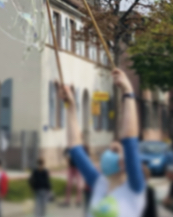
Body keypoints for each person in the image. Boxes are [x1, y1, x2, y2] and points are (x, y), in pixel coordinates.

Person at [61, 68, 146, 216]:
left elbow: (130, 139)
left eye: (114, 150)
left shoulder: (134, 188)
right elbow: (75, 148)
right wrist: (71, 106)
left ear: (123, 162)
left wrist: (127, 90)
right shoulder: (99, 183)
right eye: (109, 149)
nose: (108, 152)